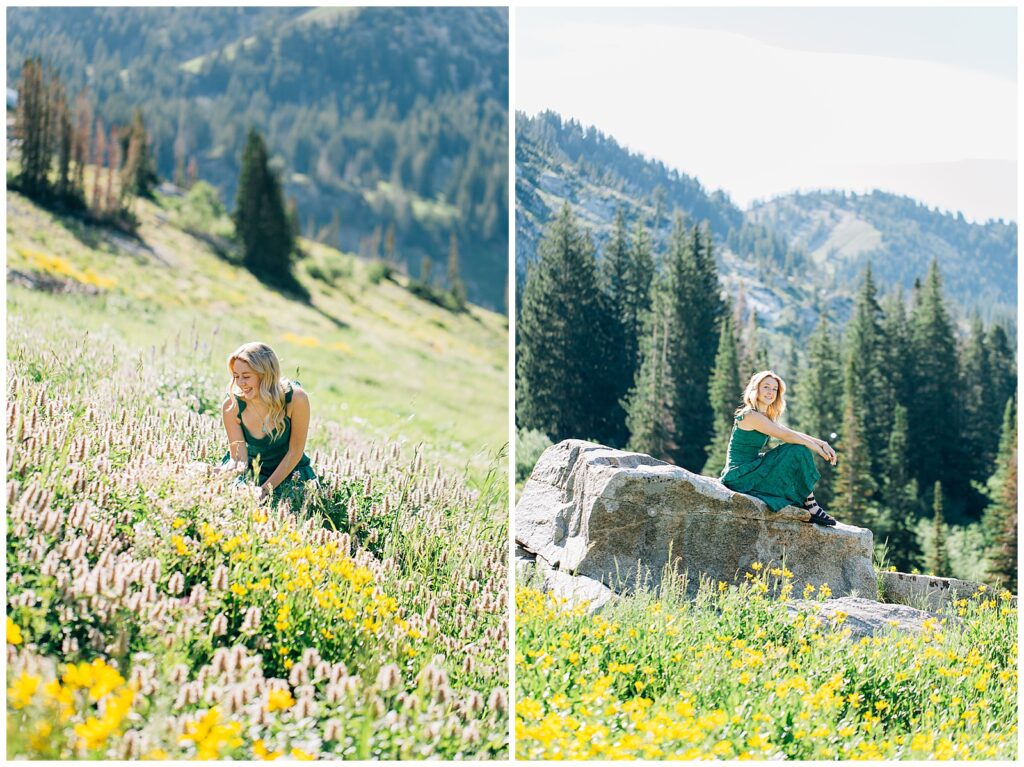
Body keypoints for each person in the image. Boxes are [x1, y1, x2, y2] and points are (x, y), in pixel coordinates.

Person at [719, 370, 838, 526]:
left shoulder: (762, 416)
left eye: (774, 389)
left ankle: (808, 503)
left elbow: (788, 431)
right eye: (766, 387)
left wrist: (821, 443)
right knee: (797, 450)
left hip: (750, 468)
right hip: (740, 475)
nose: (771, 392)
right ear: (756, 389)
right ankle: (811, 505)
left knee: (796, 449)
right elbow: (785, 436)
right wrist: (815, 447)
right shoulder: (750, 415)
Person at [219, 342, 317, 504]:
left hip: (291, 474)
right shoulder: (232, 406)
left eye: (246, 376)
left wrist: (264, 489)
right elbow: (238, 461)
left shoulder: (296, 399)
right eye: (236, 376)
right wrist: (214, 472)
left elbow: (295, 452)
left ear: (265, 375)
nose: (240, 383)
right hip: (251, 473)